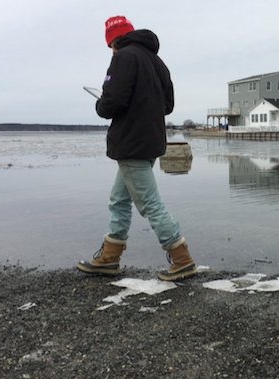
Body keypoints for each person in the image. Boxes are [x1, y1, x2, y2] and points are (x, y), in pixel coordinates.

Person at [77, 16, 196, 281]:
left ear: (113, 41)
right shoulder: (157, 62)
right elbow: (168, 105)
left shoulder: (123, 58)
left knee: (149, 203)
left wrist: (101, 104)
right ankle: (109, 258)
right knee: (119, 199)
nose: (111, 50)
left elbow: (113, 102)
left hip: (130, 141)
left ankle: (182, 258)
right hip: (151, 140)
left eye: (110, 45)